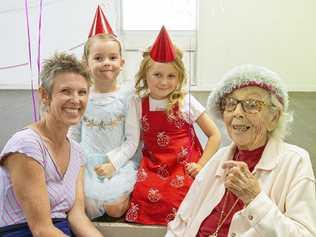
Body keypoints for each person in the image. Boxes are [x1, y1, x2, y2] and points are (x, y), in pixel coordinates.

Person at [166, 64, 316, 237]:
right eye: (230, 103)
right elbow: (179, 225)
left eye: (252, 104)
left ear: (273, 118)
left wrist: (255, 199)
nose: (237, 112)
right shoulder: (219, 158)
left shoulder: (295, 161)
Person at [125, 26, 221, 225]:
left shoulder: (185, 101)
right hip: (153, 165)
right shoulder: (138, 103)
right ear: (145, 75)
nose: (164, 82)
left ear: (179, 78)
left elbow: (214, 135)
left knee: (178, 200)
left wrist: (201, 165)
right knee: (141, 197)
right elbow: (134, 140)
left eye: (171, 76)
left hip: (183, 165)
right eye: (157, 75)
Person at [0, 53, 103, 237]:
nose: (76, 99)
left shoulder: (77, 152)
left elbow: (77, 217)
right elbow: (41, 229)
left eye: (82, 92)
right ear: (45, 95)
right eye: (65, 91)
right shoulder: (27, 145)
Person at [69, 6, 139, 220]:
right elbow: (73, 134)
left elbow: (132, 140)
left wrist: (113, 164)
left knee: (114, 208)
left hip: (116, 163)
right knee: (83, 207)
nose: (106, 63)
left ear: (121, 63)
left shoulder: (128, 98)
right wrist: (78, 162)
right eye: (98, 58)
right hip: (86, 163)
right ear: (86, 64)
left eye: (112, 57)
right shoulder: (82, 96)